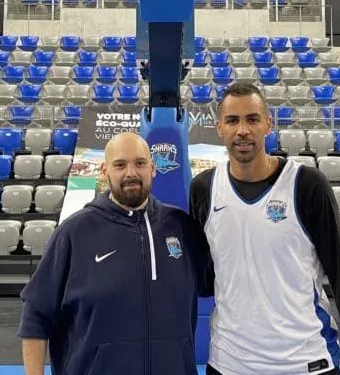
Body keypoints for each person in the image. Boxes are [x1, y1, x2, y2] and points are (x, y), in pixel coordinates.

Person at [190, 82, 340, 375]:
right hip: (229, 364)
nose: (242, 130)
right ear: (219, 128)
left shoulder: (307, 185)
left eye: (252, 119)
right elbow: (204, 278)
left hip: (306, 362)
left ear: (268, 124)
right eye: (232, 120)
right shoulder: (204, 189)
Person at [18, 131, 211, 375]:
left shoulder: (182, 227)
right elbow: (36, 314)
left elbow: (219, 288)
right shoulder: (73, 233)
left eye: (140, 163)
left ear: (153, 168)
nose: (131, 173)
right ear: (104, 171)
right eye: (120, 165)